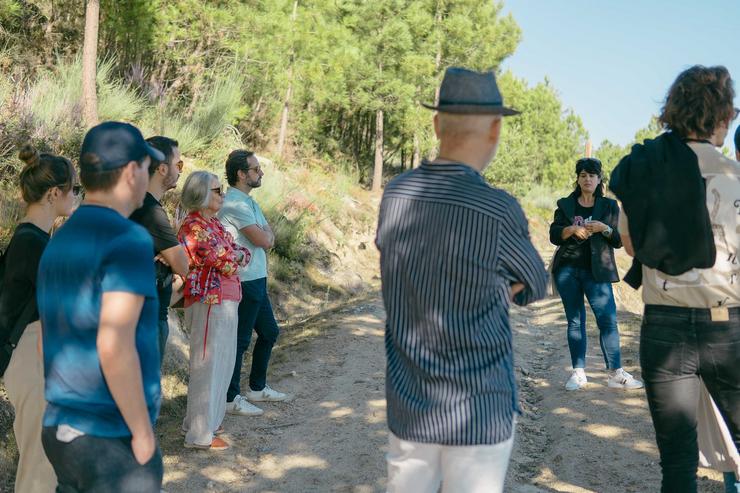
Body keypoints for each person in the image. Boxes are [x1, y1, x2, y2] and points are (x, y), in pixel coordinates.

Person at [375, 67, 548, 493]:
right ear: (495, 130)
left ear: (436, 125)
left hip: (410, 400)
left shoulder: (396, 194)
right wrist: (498, 289)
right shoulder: (498, 209)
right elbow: (537, 283)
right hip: (480, 404)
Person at [610, 65, 739, 493]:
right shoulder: (734, 177)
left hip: (663, 327)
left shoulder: (645, 172)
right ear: (721, 116)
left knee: (677, 463)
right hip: (728, 329)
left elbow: (629, 246)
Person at [37, 122, 165, 492]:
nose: (148, 175)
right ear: (130, 172)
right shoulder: (128, 239)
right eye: (146, 166)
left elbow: (47, 340)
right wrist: (142, 433)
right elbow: (114, 345)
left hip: (61, 428)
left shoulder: (59, 239)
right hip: (109, 434)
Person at [0, 146, 78, 492]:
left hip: (36, 354)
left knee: (45, 462)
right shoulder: (32, 243)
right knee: (39, 466)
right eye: (75, 188)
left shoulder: (32, 239)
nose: (78, 195)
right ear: (53, 194)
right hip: (32, 355)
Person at [549, 157, 643, 391]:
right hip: (568, 270)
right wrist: (570, 229)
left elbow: (620, 241)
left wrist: (605, 228)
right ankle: (579, 373)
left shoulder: (610, 207)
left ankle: (615, 373)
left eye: (592, 175)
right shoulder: (565, 204)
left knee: (607, 320)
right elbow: (553, 234)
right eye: (583, 175)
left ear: (599, 179)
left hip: (598, 272)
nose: (587, 179)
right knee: (575, 321)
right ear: (578, 178)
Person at [178, 171, 250, 451]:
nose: (222, 194)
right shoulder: (194, 226)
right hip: (210, 303)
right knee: (207, 367)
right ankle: (198, 434)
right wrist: (234, 256)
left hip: (226, 301)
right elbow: (228, 261)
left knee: (222, 364)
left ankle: (205, 423)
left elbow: (239, 253)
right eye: (217, 190)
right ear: (201, 194)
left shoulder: (213, 224)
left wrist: (235, 256)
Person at [218, 150, 287, 417]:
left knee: (269, 332)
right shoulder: (234, 204)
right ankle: (230, 397)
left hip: (257, 278)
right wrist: (266, 235)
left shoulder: (249, 202)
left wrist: (266, 235)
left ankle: (257, 388)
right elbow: (264, 240)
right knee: (240, 340)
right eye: (256, 170)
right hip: (244, 280)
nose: (261, 173)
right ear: (241, 174)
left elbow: (270, 235)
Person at [130, 136, 189, 365]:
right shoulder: (151, 212)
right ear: (163, 169)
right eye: (179, 164)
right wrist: (172, 254)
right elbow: (183, 265)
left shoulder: (132, 202)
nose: (181, 171)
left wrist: (170, 253)